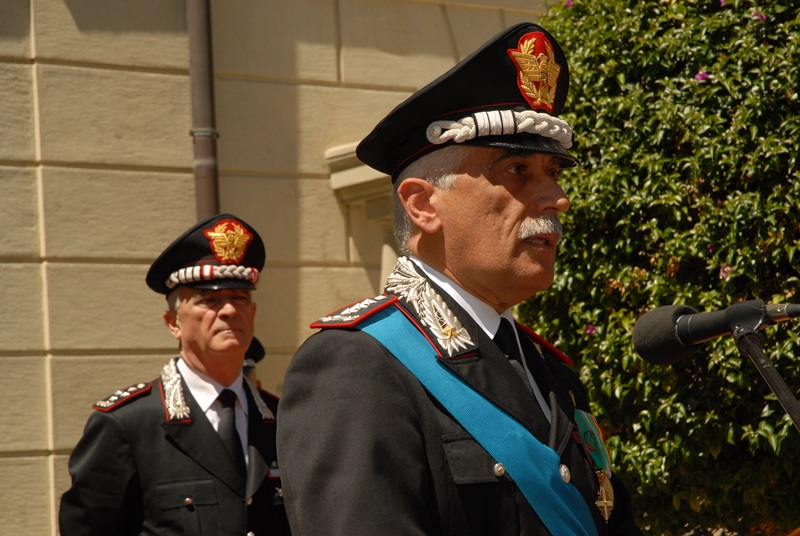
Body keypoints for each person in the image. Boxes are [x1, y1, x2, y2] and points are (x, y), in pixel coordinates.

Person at [276, 23, 641, 535]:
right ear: (423, 205)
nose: (556, 199)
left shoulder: (547, 370)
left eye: (553, 172)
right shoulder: (356, 365)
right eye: (517, 170)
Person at [59, 213, 289, 536]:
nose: (228, 311)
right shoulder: (128, 425)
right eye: (209, 300)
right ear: (173, 324)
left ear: (253, 313)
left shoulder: (282, 420)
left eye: (239, 298)